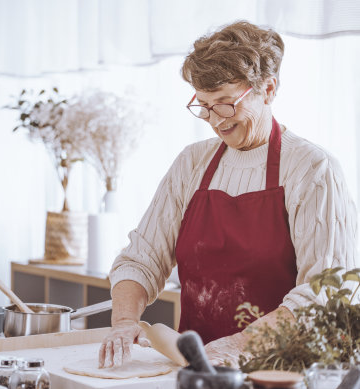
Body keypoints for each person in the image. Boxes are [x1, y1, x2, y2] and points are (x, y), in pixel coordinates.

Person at [99, 20, 358, 368]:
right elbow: (140, 259)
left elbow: (321, 296)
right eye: (203, 105)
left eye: (225, 103)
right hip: (196, 370)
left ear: (268, 89)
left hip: (280, 376)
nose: (214, 119)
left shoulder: (313, 169)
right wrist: (124, 322)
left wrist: (234, 348)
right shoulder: (192, 162)